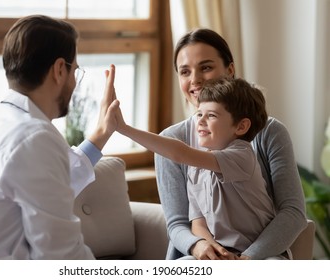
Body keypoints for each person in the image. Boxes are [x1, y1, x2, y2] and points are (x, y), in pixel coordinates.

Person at [0, 15, 119, 260]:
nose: (75, 81)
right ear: (59, 70)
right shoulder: (36, 137)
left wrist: (102, 133)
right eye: (75, 70)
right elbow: (62, 256)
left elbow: (45, 183)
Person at [154, 28, 307, 260]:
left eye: (205, 67)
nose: (194, 79)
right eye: (185, 72)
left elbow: (293, 212)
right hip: (199, 255)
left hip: (261, 256)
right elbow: (177, 223)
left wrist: (247, 259)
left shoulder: (271, 132)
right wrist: (200, 247)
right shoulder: (170, 140)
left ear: (230, 70)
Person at [115, 76, 280, 259]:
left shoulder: (242, 155)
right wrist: (215, 251)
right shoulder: (195, 168)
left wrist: (124, 129)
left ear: (241, 126)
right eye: (199, 114)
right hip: (223, 251)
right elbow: (198, 223)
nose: (200, 121)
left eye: (211, 115)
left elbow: (180, 153)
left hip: (261, 254)